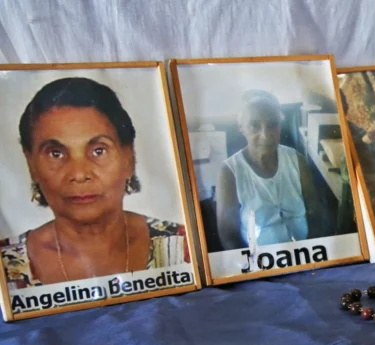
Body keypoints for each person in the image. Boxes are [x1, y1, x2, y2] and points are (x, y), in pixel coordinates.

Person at [2, 77, 188, 288]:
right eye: (56, 153)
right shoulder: (4, 265)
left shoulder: (185, 246)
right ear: (31, 164)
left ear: (128, 158)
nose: (79, 174)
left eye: (98, 150)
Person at [217, 90, 322, 250]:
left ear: (280, 125)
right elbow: (228, 235)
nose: (265, 135)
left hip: (306, 252)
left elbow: (315, 213)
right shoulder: (229, 171)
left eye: (273, 124)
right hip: (261, 261)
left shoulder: (297, 160)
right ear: (242, 128)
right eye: (254, 126)